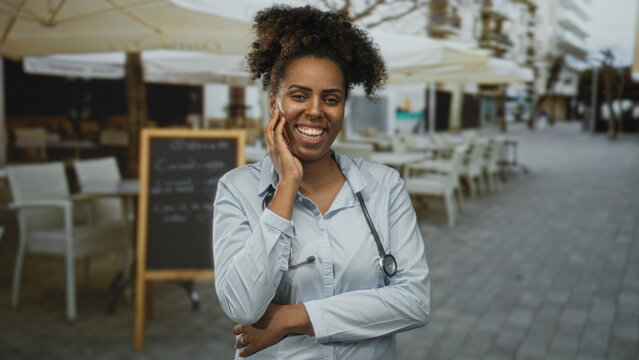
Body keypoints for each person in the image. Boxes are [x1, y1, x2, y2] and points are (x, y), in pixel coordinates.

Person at [212, 5, 430, 359]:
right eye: (299, 95)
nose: (315, 110)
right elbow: (242, 306)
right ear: (274, 104)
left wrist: (291, 317)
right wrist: (286, 186)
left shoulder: (384, 186)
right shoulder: (237, 189)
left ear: (343, 107)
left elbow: (415, 302)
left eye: (331, 99)